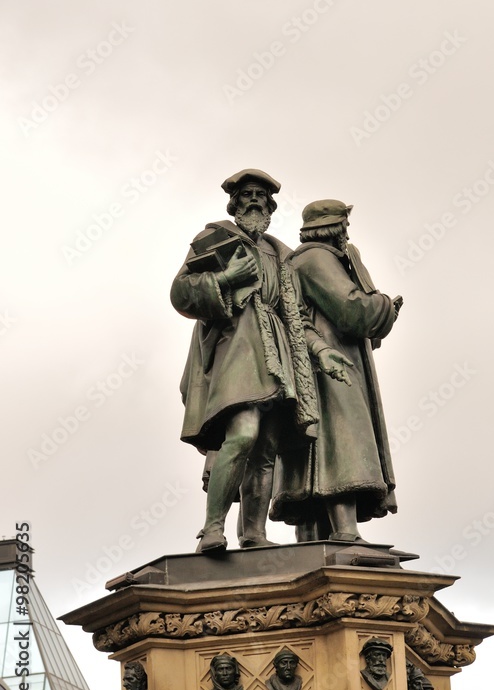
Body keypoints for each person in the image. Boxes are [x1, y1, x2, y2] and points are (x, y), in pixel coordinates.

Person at [171, 170, 350, 552]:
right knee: (243, 433)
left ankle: (253, 533)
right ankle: (212, 530)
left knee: (266, 451)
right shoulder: (215, 238)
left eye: (261, 197)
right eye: (247, 195)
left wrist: (322, 351)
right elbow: (181, 292)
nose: (255, 201)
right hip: (236, 347)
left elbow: (297, 315)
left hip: (279, 352)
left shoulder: (281, 254)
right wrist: (226, 277)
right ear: (234, 204)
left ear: (270, 206)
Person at [271, 200, 402, 542]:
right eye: (344, 225)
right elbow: (350, 309)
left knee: (320, 449)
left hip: (324, 360)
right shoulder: (316, 258)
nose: (347, 233)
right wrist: (385, 307)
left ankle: (316, 539)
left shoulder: (309, 259)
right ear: (334, 227)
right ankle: (345, 531)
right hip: (328, 366)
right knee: (338, 441)